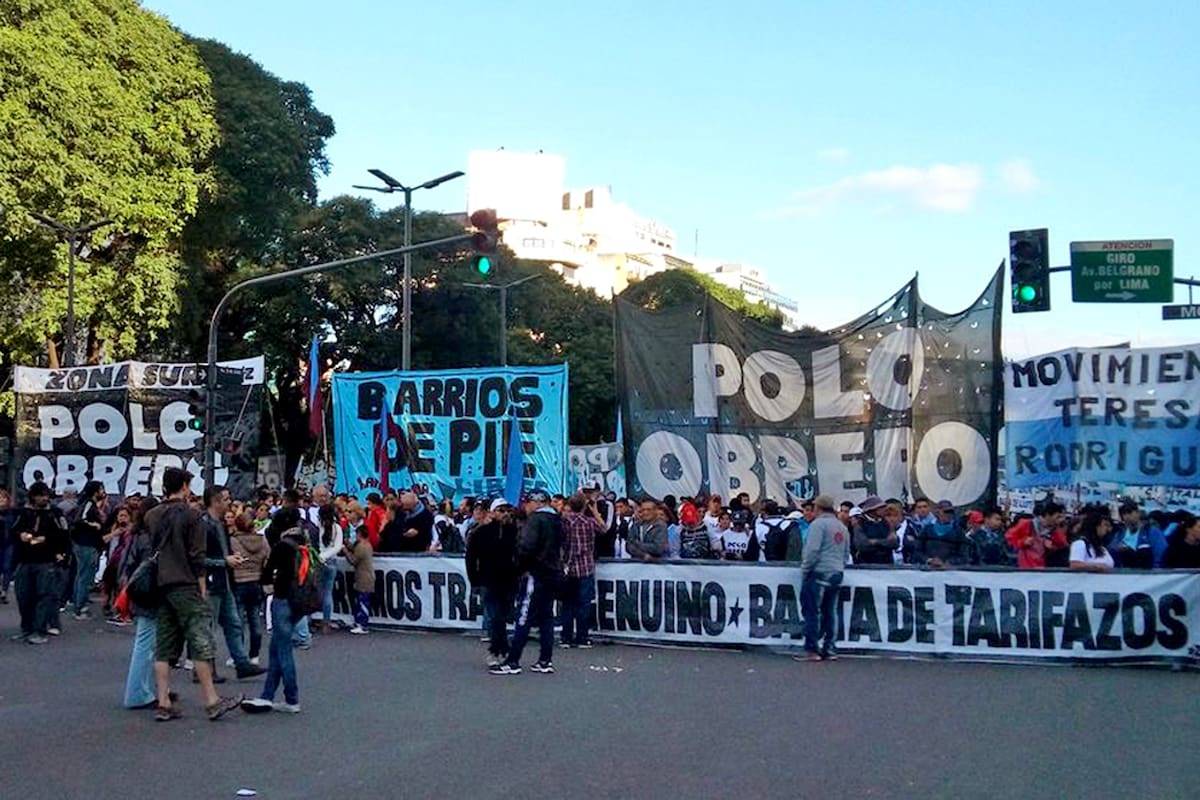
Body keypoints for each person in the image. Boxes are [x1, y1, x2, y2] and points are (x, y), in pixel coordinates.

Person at [147, 468, 242, 721]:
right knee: (201, 641)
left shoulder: (152, 515)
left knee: (164, 646)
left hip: (161, 584)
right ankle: (212, 700)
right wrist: (202, 588)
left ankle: (163, 702)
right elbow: (197, 557)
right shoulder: (192, 517)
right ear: (185, 487)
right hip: (186, 583)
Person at [491, 490, 563, 676]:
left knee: (524, 617)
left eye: (527, 502)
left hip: (535, 573)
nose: (525, 506)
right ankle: (545, 660)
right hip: (553, 573)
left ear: (536, 502)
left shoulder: (536, 520)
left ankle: (513, 660)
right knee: (547, 618)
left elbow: (526, 546)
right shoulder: (558, 520)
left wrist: (520, 567)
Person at [242, 516, 307, 714]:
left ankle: (291, 698)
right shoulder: (303, 545)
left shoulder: (281, 547)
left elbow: (267, 574)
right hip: (299, 600)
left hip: (282, 598)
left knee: (283, 650)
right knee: (276, 649)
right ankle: (267, 695)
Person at [201, 485, 264, 681]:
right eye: (226, 499)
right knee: (209, 627)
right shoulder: (204, 525)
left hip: (224, 580)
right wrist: (224, 561)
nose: (229, 503)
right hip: (212, 582)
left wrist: (230, 557)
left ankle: (241, 663)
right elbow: (198, 557)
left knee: (233, 623)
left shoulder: (219, 525)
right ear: (215, 501)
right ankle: (204, 668)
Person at [11, 482, 70, 645]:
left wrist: (49, 541)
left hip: (46, 560)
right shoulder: (23, 513)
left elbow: (64, 534)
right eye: (39, 495)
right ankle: (27, 628)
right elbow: (13, 531)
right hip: (25, 559)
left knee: (44, 595)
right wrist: (21, 535)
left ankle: (40, 630)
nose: (43, 498)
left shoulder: (55, 513)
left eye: (45, 495)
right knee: (24, 595)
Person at [119, 498, 162, 709]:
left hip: (139, 591)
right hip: (151, 593)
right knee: (146, 644)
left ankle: (142, 689)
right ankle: (137, 691)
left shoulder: (136, 535)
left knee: (145, 642)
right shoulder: (150, 539)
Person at [467, 499, 520, 667]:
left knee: (504, 616)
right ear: (492, 512)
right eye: (500, 510)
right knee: (494, 616)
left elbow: (521, 554)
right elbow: (471, 558)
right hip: (488, 580)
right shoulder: (481, 533)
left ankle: (502, 648)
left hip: (509, 580)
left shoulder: (515, 531)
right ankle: (496, 649)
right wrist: (474, 580)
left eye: (507, 510)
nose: (505, 513)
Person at [796, 495, 850, 662]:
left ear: (818, 508)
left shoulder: (818, 525)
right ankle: (830, 647)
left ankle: (812, 649)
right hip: (836, 572)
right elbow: (846, 553)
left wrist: (805, 570)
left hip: (819, 571)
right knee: (830, 611)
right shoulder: (841, 527)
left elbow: (812, 551)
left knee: (812, 611)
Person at [561, 494, 604, 649]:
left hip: (568, 566)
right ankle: (582, 636)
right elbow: (604, 528)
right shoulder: (589, 522)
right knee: (584, 604)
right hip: (586, 566)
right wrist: (594, 510)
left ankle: (566, 637)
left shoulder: (564, 522)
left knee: (567, 605)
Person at [230, 514, 270, 665]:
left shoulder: (233, 541)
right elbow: (268, 557)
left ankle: (238, 656)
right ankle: (254, 655)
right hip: (256, 582)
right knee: (255, 622)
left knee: (238, 622)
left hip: (239, 581)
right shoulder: (262, 540)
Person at [69, 480, 108, 620]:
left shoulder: (88, 504)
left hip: (84, 543)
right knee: (85, 575)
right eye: (101, 489)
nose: (103, 492)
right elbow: (81, 520)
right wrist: (94, 525)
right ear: (95, 491)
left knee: (81, 575)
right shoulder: (88, 504)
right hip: (86, 544)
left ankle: (77, 602)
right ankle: (80, 607)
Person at [905, 500, 971, 569]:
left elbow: (964, 556)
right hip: (927, 570)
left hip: (950, 572)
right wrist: (929, 560)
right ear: (938, 512)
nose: (949, 514)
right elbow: (917, 552)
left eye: (951, 512)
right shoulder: (927, 530)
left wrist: (947, 562)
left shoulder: (958, 532)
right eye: (945, 511)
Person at [1006, 502, 1067, 569]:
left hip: (1042, 570)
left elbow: (1063, 547)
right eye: (1058, 517)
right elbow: (1008, 539)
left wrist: (1052, 547)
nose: (1060, 520)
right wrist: (1023, 542)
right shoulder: (1026, 524)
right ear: (1048, 515)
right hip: (1023, 568)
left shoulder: (1056, 531)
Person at [313, 504, 343, 633]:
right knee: (328, 592)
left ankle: (308, 620)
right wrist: (326, 556)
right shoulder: (337, 528)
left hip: (317, 560)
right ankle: (326, 622)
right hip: (331, 561)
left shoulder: (317, 527)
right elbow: (337, 546)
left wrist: (320, 557)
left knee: (313, 591)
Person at [1109, 502, 1167, 570]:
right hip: (1123, 572)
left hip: (1146, 572)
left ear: (1138, 513)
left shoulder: (1151, 531)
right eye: (1124, 514)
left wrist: (1155, 571)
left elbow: (1161, 553)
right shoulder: (1120, 534)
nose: (1127, 516)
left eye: (1129, 512)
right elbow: (1110, 551)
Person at [342, 522, 375, 635]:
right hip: (365, 575)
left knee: (363, 602)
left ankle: (363, 625)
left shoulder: (361, 547)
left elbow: (353, 561)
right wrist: (347, 544)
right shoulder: (366, 545)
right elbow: (354, 548)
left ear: (359, 534)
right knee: (361, 601)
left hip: (364, 577)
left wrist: (345, 551)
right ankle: (359, 623)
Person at [851, 496, 897, 565]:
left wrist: (875, 542)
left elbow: (894, 542)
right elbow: (862, 545)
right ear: (872, 509)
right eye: (881, 507)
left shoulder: (887, 523)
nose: (884, 509)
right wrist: (884, 543)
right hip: (867, 565)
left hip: (887, 564)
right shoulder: (860, 524)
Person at [0, 488, 17, 604]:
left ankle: (4, 591)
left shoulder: (12, 512)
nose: (1, 500)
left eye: (3, 497)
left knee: (7, 567)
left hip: (9, 543)